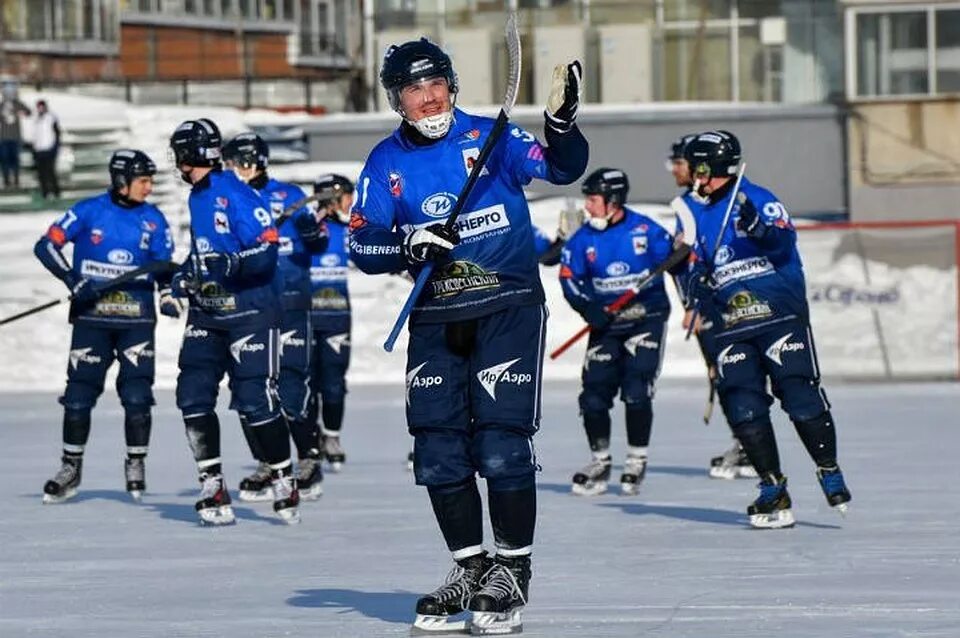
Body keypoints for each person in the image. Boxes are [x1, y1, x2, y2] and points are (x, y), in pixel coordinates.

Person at [349, 38, 587, 634]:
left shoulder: (493, 137)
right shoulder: (385, 162)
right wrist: (407, 242)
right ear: (396, 100)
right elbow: (361, 242)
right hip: (434, 316)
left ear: (451, 86)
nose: (427, 99)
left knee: (502, 443)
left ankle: (511, 571)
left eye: (435, 86)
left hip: (506, 307)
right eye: (412, 90)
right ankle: (471, 568)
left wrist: (560, 125)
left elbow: (561, 168)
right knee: (436, 448)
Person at [680, 130, 852, 529]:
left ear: (712, 168)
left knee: (798, 394)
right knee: (743, 405)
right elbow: (695, 264)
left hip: (777, 315)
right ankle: (773, 489)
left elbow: (782, 246)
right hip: (731, 325)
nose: (693, 176)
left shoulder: (757, 199)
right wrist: (696, 285)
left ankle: (828, 468)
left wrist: (759, 228)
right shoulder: (695, 211)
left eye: (697, 168)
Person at [168, 118, 299, 526]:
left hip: (250, 312)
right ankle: (212, 483)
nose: (176, 164)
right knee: (191, 394)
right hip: (207, 314)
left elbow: (266, 253)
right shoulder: (197, 196)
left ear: (189, 155)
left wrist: (230, 263)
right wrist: (178, 280)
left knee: (255, 400)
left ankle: (282, 477)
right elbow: (203, 251)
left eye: (178, 156)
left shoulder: (237, 195)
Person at [33, 149, 175, 504]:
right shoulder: (88, 211)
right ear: (121, 181)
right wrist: (72, 279)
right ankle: (71, 467)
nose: (149, 187)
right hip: (91, 321)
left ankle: (136, 463)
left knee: (137, 398)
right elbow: (45, 245)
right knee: (78, 399)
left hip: (136, 323)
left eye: (151, 180)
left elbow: (164, 267)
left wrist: (169, 295)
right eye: (143, 181)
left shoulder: (154, 219)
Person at [221, 132, 330, 502]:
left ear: (259, 162)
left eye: (242, 163)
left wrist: (309, 228)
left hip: (291, 302)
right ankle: (268, 461)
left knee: (290, 382)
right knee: (248, 384)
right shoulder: (228, 201)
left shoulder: (291, 195)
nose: (237, 171)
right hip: (250, 305)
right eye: (231, 165)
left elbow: (318, 243)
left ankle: (309, 458)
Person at [559, 168, 675, 496]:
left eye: (593, 200)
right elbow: (569, 278)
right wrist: (587, 308)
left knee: (636, 390)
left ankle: (636, 460)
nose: (588, 206)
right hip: (606, 323)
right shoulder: (583, 238)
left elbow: (676, 261)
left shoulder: (645, 230)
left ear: (613, 201)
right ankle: (601, 461)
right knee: (593, 396)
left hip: (645, 318)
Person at [669, 132, 756, 480]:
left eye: (680, 162)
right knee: (721, 375)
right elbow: (683, 263)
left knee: (736, 373)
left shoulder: (709, 202)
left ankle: (750, 446)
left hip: (729, 303)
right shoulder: (686, 204)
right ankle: (744, 441)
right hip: (705, 304)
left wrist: (698, 304)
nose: (675, 168)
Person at [306, 173, 354, 473]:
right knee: (307, 383)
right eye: (347, 196)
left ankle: (332, 437)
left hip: (337, 318)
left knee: (334, 384)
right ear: (333, 199)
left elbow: (370, 258)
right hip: (305, 318)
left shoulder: (347, 231)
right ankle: (312, 440)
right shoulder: (304, 231)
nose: (351, 203)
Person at [0, 78, 30, 189]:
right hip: (3, 138)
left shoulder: (18, 104)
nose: (8, 94)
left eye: (11, 91)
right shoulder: (2, 105)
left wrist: (22, 113)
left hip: (15, 137)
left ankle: (16, 179)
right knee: (4, 160)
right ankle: (7, 180)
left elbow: (28, 112)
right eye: (6, 92)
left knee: (15, 160)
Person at [31, 99, 61, 200]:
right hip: (39, 150)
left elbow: (57, 133)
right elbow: (35, 135)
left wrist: (54, 148)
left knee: (51, 172)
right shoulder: (36, 119)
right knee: (41, 174)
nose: (40, 109)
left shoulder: (51, 118)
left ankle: (56, 192)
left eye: (42, 106)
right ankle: (45, 193)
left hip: (49, 150)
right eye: (38, 107)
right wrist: (35, 148)